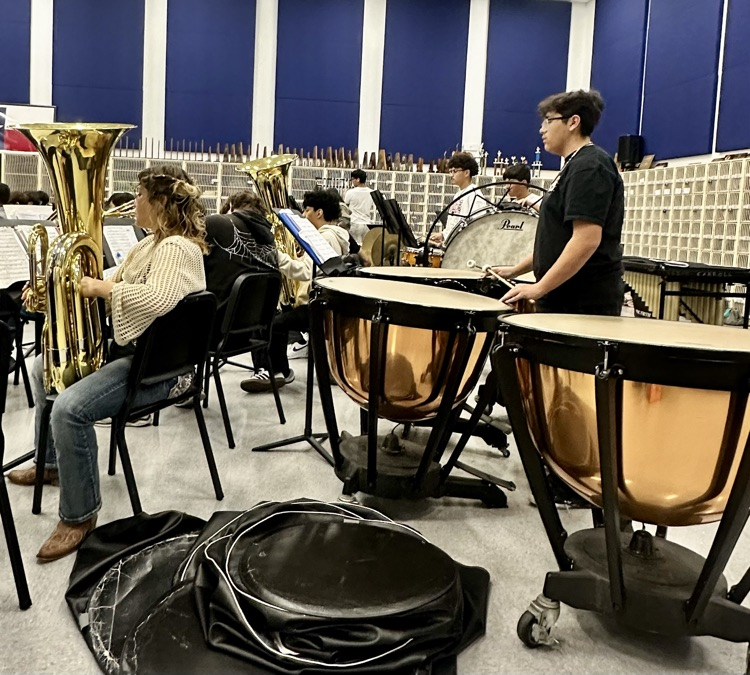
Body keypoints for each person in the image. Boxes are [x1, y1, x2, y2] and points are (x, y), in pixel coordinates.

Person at [6, 165, 209, 562]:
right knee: (44, 369)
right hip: (138, 356)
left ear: (161, 203)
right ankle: (51, 463)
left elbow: (157, 299)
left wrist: (99, 288)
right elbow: (119, 274)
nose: (134, 202)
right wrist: (57, 282)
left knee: (69, 408)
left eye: (140, 195)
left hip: (157, 370)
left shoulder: (177, 248)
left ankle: (79, 516)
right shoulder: (151, 243)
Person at [494, 89, 624, 316]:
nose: (541, 129)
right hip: (563, 296)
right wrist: (515, 271)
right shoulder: (574, 166)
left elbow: (586, 240)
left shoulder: (590, 166)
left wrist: (538, 288)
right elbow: (558, 240)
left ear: (573, 122)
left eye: (548, 120)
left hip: (581, 302)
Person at [241, 188, 349, 393]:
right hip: (322, 300)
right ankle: (272, 369)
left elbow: (307, 272)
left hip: (320, 304)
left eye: (307, 210)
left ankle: (278, 372)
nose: (304, 215)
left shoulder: (326, 237)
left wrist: (277, 257)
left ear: (319, 212)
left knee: (277, 323)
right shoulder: (334, 235)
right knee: (277, 317)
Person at [203, 190, 276, 334]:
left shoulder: (216, 222)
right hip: (247, 331)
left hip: (211, 329)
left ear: (230, 206)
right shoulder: (270, 238)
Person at [430, 151, 490, 247]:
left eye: (454, 171)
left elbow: (477, 226)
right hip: (453, 244)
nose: (451, 175)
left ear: (466, 173)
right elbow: (454, 222)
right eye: (450, 171)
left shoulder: (474, 195)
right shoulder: (458, 194)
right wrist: (443, 235)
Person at [344, 169, 373, 245]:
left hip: (354, 223)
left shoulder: (351, 192)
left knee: (354, 247)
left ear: (358, 179)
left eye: (353, 179)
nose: (352, 181)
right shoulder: (371, 192)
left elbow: (345, 206)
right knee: (366, 247)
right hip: (367, 224)